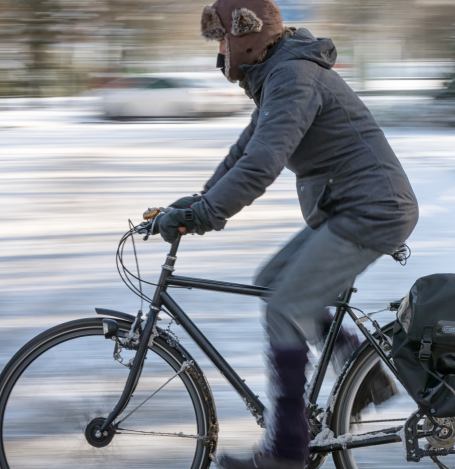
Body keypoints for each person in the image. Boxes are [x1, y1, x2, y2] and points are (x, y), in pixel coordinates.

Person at [156, 0, 418, 467]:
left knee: (285, 305)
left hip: (372, 210)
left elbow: (262, 165)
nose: (220, 50)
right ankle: (366, 374)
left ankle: (287, 448)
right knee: (274, 279)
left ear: (247, 35)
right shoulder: (279, 74)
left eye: (222, 39)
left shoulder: (292, 75)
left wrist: (205, 216)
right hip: (350, 207)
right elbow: (244, 151)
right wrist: (196, 202)